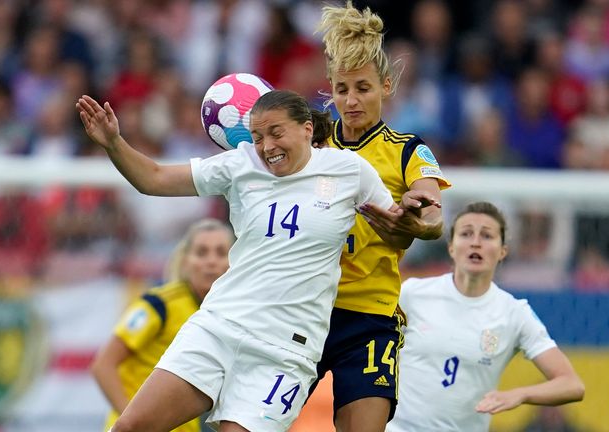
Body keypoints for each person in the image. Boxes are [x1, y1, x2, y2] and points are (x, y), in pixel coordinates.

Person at [77, 89, 398, 432]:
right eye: (258, 137)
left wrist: (421, 223)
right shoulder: (242, 163)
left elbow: (397, 229)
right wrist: (113, 142)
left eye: (276, 133)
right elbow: (153, 178)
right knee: (130, 427)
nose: (267, 147)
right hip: (220, 328)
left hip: (284, 354)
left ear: (307, 129)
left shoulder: (349, 171)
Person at [312, 3, 451, 431]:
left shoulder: (406, 148)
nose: (351, 101)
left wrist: (415, 218)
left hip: (370, 317)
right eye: (341, 89)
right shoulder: (312, 145)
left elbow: (431, 210)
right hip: (305, 308)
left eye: (363, 88)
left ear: (386, 86)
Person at [387, 201, 585, 432]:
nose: (476, 242)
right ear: (451, 247)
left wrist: (520, 395)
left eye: (487, 236)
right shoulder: (412, 293)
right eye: (466, 233)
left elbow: (572, 385)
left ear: (503, 251)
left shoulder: (514, 313)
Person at [90, 218, 234, 432]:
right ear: (185, 261)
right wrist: (133, 421)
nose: (211, 261)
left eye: (221, 253)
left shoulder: (231, 316)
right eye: (201, 252)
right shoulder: (159, 305)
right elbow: (103, 365)